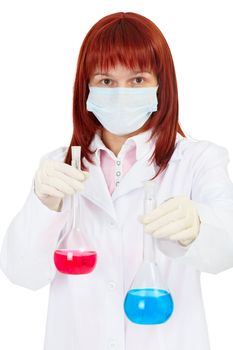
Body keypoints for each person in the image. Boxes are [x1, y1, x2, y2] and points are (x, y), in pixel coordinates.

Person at [1, 11, 233, 350]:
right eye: (106, 81)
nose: (121, 92)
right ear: (87, 88)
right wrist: (44, 203)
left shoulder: (198, 160)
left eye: (137, 80)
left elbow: (226, 251)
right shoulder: (59, 167)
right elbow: (22, 274)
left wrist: (197, 225)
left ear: (160, 84)